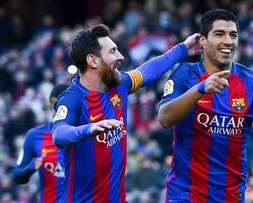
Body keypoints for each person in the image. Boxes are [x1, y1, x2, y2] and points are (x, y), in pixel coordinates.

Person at [51, 24, 201, 202]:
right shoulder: (73, 98)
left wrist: (183, 48)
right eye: (113, 51)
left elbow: (147, 71)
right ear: (93, 60)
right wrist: (89, 129)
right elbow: (59, 133)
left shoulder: (119, 84)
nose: (121, 57)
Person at [158, 9, 253, 203]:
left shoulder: (251, 82)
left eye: (233, 35)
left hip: (231, 197)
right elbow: (164, 117)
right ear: (202, 40)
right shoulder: (186, 74)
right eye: (219, 34)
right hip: (186, 195)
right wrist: (200, 89)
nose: (228, 41)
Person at [13, 84, 69, 203]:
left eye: (63, 105)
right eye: (56, 105)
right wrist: (31, 167)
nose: (59, 110)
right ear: (49, 106)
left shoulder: (88, 133)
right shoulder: (34, 136)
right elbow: (17, 176)